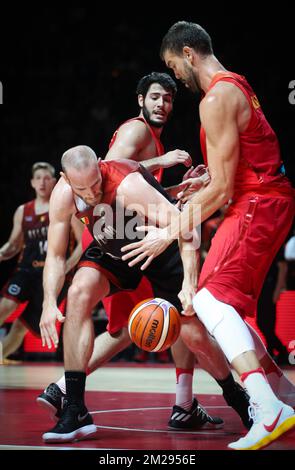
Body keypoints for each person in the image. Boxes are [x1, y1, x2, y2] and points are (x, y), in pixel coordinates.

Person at [38, 73, 250, 434]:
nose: (90, 194)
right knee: (77, 294)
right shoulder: (65, 191)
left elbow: (186, 225)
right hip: (113, 244)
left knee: (190, 330)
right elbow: (57, 256)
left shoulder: (125, 183)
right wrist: (46, 301)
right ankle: (74, 406)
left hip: (158, 244)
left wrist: (188, 282)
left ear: (101, 169)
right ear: (65, 179)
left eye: (95, 185)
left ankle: (237, 398)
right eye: (82, 189)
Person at [121, 21, 295, 450]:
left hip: (258, 202)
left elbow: (223, 188)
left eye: (171, 66)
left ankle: (268, 408)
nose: (175, 77)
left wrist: (169, 234)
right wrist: (201, 184)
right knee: (225, 307)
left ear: (187, 55)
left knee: (207, 300)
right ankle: (283, 397)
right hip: (261, 197)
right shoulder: (237, 84)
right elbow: (228, 173)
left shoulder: (215, 97)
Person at [0, 162, 83, 361]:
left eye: (47, 178)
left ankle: (2, 356)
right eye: (38, 178)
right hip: (26, 271)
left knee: (22, 327)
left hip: (54, 276)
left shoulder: (66, 206)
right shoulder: (23, 211)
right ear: (32, 182)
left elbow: (83, 243)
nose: (42, 182)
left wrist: (67, 266)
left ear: (54, 181)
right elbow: (13, 245)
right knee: (5, 307)